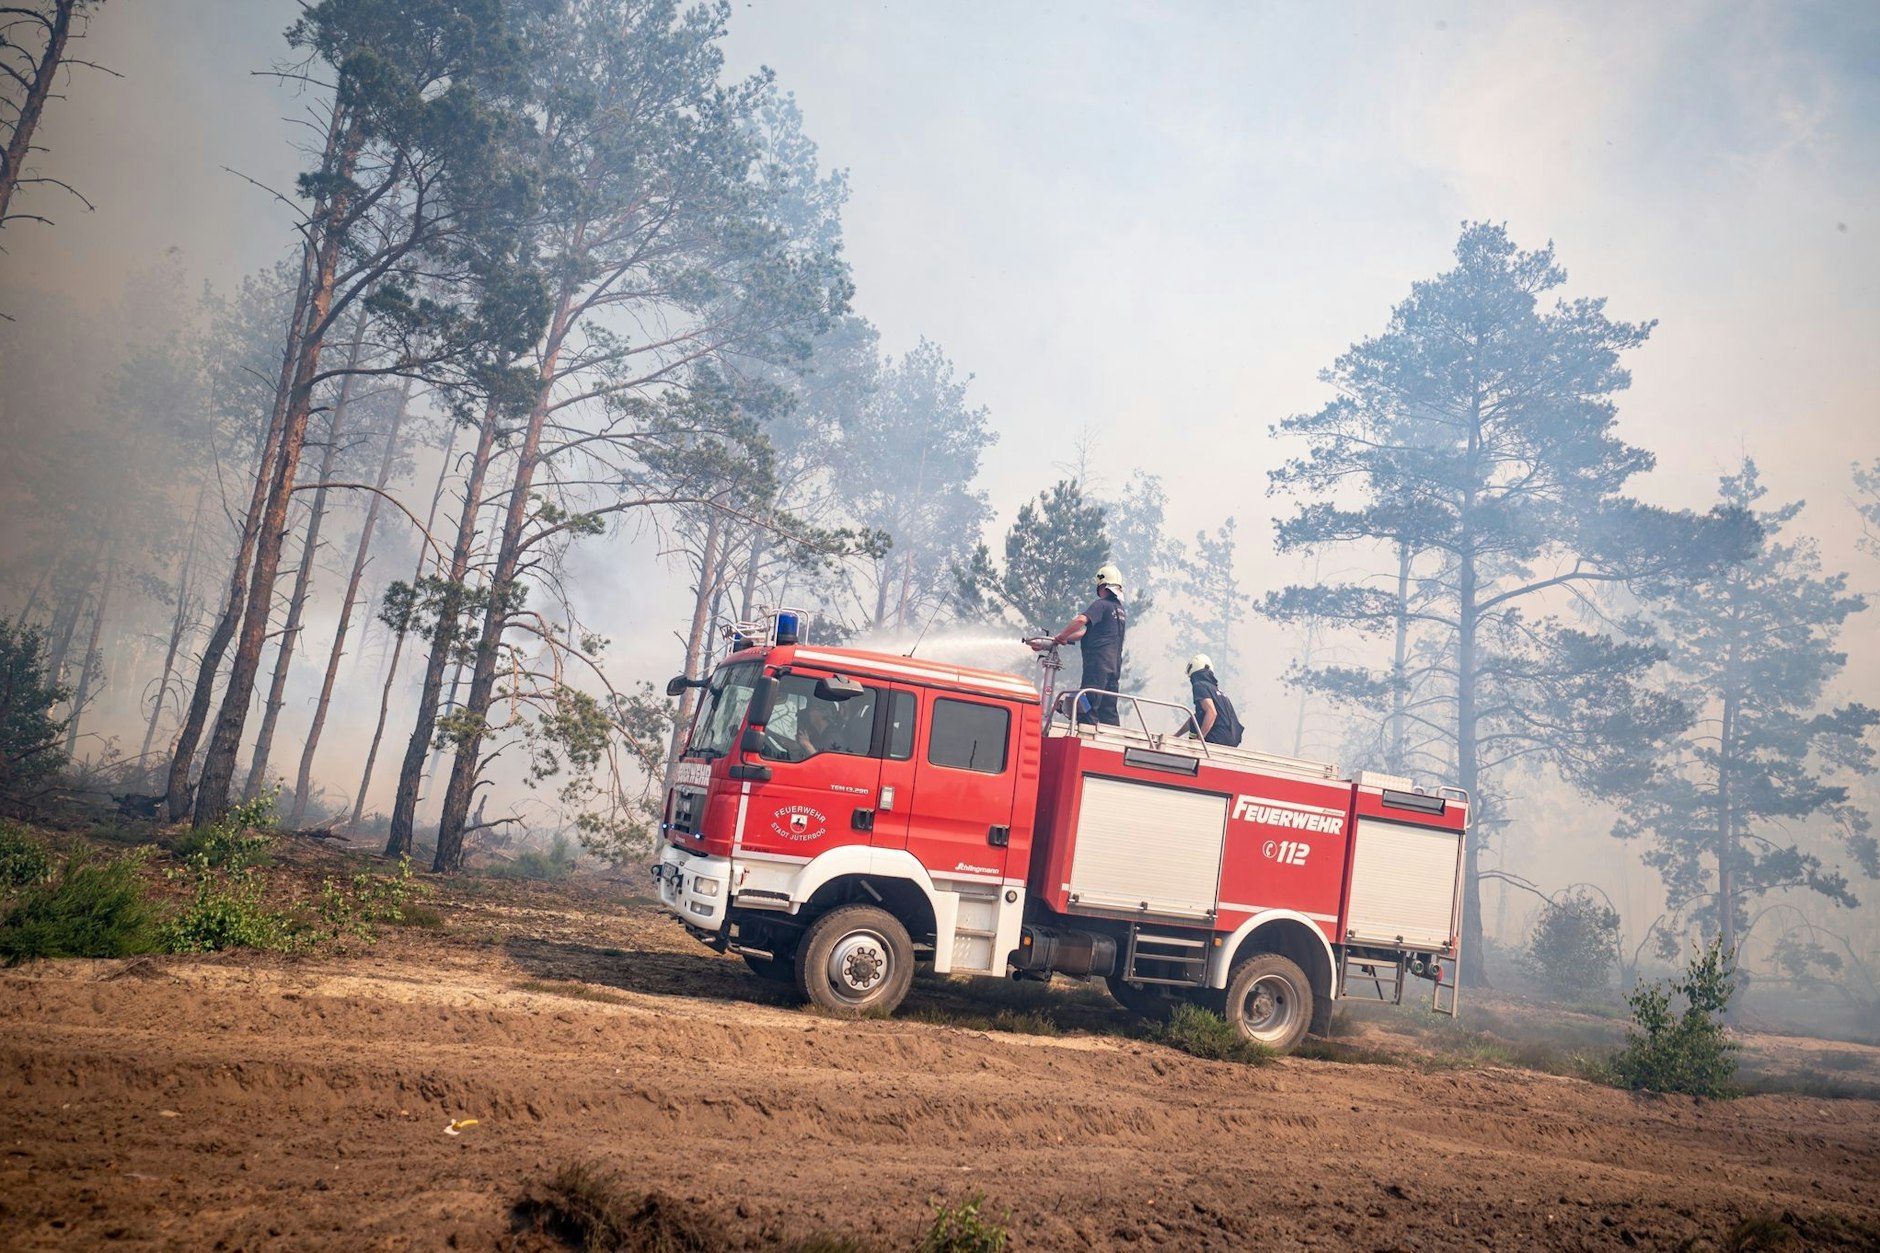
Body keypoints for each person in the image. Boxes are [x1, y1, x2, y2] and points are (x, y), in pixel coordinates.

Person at [1033, 563, 1128, 725]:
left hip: (1097, 665)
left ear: (1102, 585)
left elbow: (1081, 620)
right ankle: (1113, 743)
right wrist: (1064, 638)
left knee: (1088, 707)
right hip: (1114, 668)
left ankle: (1085, 737)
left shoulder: (1101, 604)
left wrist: (1061, 636)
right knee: (1108, 710)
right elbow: (1086, 632)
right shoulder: (1119, 610)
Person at [1184, 653, 1243, 747]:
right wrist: (1176, 735)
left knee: (1193, 739)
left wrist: (1200, 739)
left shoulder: (1199, 685)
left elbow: (1211, 712)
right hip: (1232, 740)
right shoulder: (1217, 691)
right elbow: (1195, 718)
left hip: (1217, 737)